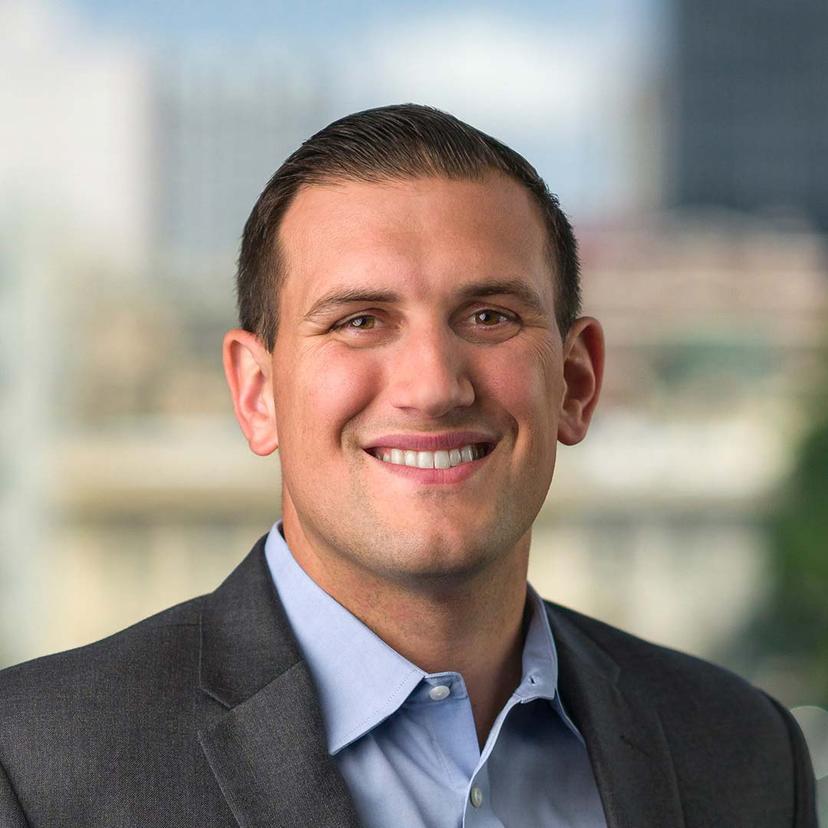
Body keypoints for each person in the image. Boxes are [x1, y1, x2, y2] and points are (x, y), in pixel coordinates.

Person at [0, 104, 816, 827]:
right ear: (257, 394)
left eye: (489, 315)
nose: (433, 387)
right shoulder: (37, 766)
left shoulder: (742, 752)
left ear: (576, 381)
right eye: (360, 320)